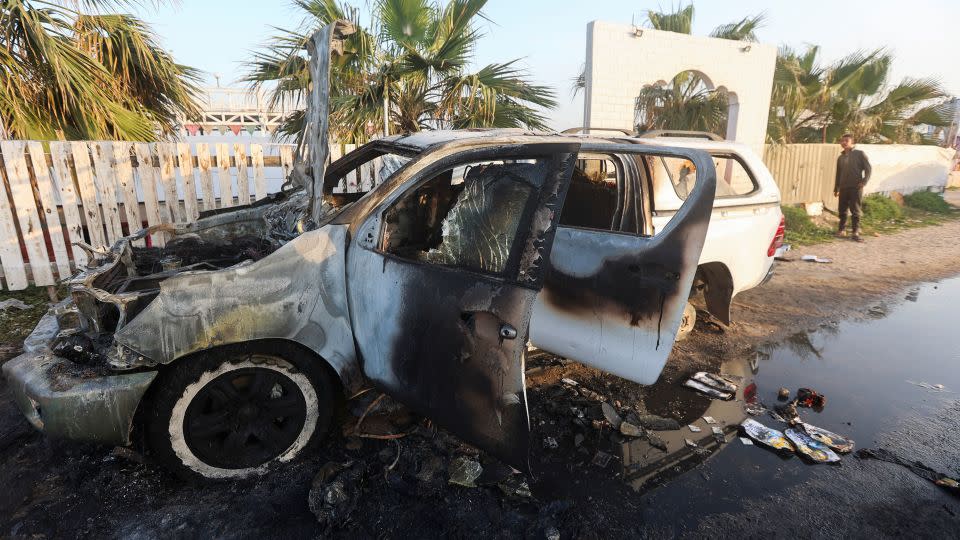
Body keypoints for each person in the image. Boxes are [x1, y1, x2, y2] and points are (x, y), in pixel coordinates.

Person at [834, 134, 872, 241]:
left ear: (852, 143)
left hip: (856, 187)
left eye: (847, 140)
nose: (844, 142)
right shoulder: (840, 158)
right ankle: (841, 230)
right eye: (842, 141)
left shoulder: (859, 154)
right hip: (843, 187)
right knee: (842, 210)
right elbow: (838, 173)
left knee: (855, 210)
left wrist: (864, 182)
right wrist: (836, 187)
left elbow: (868, 169)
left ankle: (855, 232)